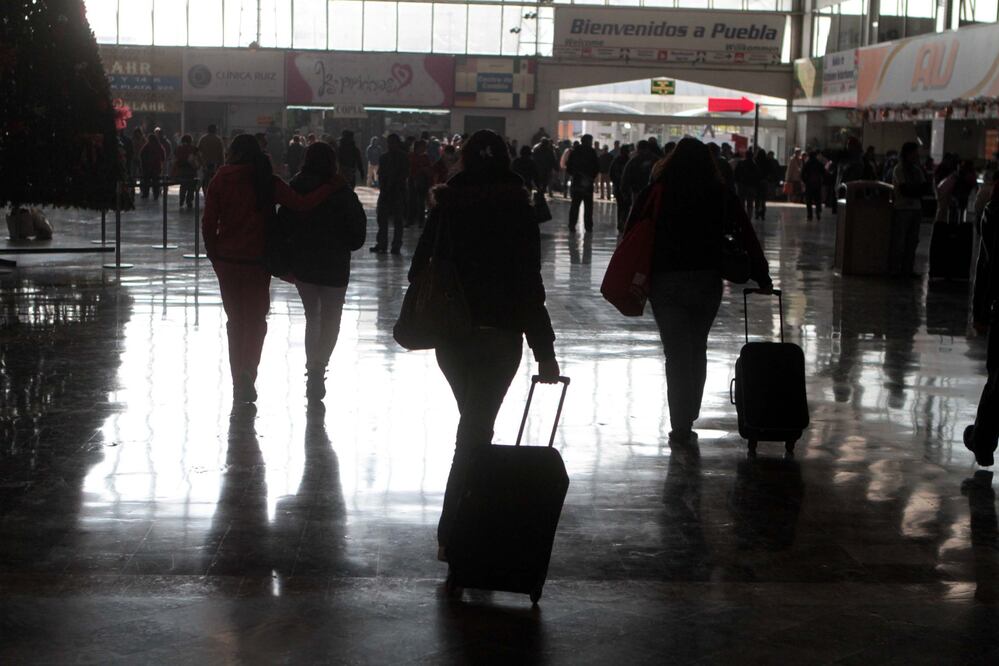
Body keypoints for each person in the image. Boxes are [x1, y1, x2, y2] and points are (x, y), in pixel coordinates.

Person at [406, 129, 560, 561]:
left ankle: (464, 525)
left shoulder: (447, 204)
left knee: (474, 427)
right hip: (501, 335)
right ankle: (456, 532)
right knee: (475, 430)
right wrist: (544, 352)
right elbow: (530, 285)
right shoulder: (517, 208)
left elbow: (419, 268)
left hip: (452, 336)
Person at [626, 138, 772, 443]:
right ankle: (689, 412)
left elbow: (631, 231)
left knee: (676, 352)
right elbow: (745, 232)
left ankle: (681, 422)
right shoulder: (718, 194)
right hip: (706, 280)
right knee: (697, 347)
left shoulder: (656, 191)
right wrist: (761, 274)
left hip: (665, 281)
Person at [201, 134, 335, 403]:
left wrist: (215, 256)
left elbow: (208, 223)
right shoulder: (265, 179)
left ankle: (238, 375)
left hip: (228, 262)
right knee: (256, 322)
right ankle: (249, 371)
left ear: (233, 152)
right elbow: (301, 203)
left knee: (234, 322)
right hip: (257, 263)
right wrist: (331, 187)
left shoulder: (221, 179)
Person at [280, 142, 367, 402]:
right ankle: (319, 367)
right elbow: (357, 233)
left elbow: (283, 223)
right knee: (332, 319)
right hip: (335, 265)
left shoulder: (295, 186)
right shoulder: (342, 190)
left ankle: (311, 368)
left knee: (312, 317)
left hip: (304, 264)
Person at [965, 183, 999, 466]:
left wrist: (980, 312)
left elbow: (987, 264)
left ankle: (982, 440)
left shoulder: (995, 210)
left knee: (998, 378)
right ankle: (981, 440)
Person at [891, 142, 929, 277]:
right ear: (907, 154)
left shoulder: (917, 170)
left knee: (912, 241)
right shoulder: (899, 169)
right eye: (914, 153)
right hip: (902, 209)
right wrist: (916, 190)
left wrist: (915, 190)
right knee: (899, 241)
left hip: (916, 209)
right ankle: (896, 269)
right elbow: (905, 190)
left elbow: (925, 188)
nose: (916, 156)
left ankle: (907, 269)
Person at [371, 133, 408, 254]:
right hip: (387, 191)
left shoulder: (402, 157)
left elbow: (405, 174)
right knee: (382, 218)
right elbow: (381, 173)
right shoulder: (384, 157)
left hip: (397, 191)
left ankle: (395, 245)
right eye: (389, 142)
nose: (390, 145)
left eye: (392, 142)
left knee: (397, 220)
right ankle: (383, 243)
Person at [566, 134, 600, 234]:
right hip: (588, 183)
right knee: (588, 206)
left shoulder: (575, 151)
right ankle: (588, 226)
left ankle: (572, 225)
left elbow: (569, 167)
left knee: (575, 205)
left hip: (577, 182)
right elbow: (597, 167)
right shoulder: (592, 152)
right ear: (588, 141)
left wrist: (576, 175)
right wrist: (590, 177)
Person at [407, 139, 433, 228]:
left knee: (420, 202)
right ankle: (411, 220)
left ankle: (420, 221)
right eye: (423, 146)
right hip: (413, 180)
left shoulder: (425, 157)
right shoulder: (411, 156)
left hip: (422, 181)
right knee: (411, 201)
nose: (424, 148)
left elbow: (429, 169)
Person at [171, 135, 199, 209]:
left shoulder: (178, 148)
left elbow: (175, 158)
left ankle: (181, 199)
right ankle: (189, 201)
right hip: (191, 170)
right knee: (191, 187)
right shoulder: (194, 149)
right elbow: (198, 158)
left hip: (181, 170)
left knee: (183, 186)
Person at [609, 144, 632, 232]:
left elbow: (611, 173)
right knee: (626, 206)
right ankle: (624, 223)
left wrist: (616, 183)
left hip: (618, 188)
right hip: (626, 188)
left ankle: (620, 223)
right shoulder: (629, 161)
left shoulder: (616, 160)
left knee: (620, 206)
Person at [198, 124, 225, 193]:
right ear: (215, 130)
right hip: (215, 164)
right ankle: (212, 193)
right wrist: (222, 164)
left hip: (205, 163)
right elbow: (221, 153)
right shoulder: (218, 139)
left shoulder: (203, 139)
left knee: (205, 179)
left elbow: (198, 152)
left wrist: (200, 163)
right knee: (214, 179)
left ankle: (205, 192)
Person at [733, 149, 760, 217]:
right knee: (750, 202)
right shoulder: (754, 165)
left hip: (742, 185)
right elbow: (757, 176)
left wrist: (737, 182)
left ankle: (741, 216)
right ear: (752, 156)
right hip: (751, 186)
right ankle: (749, 216)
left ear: (745, 155)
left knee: (741, 201)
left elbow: (736, 174)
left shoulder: (741, 163)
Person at [139, 133, 165, 200]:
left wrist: (144, 162)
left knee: (146, 181)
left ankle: (146, 194)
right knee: (155, 182)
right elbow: (163, 155)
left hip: (147, 167)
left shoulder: (147, 145)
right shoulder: (158, 146)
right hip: (156, 167)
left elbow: (141, 154)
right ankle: (155, 194)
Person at [802, 150, 826, 221]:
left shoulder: (807, 163)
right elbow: (823, 172)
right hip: (817, 184)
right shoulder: (819, 163)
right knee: (817, 199)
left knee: (809, 200)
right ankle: (818, 212)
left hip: (809, 184)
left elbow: (803, 174)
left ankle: (810, 215)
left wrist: (805, 181)